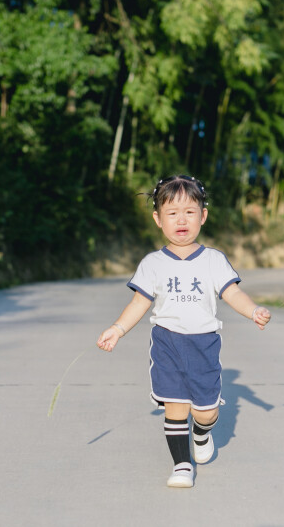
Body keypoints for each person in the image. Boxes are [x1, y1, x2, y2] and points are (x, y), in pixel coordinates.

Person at [97, 174, 271, 489]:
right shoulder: (152, 264)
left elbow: (232, 293)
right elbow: (139, 303)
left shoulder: (214, 260)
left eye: (190, 212)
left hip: (204, 345)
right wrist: (117, 329)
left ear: (203, 216)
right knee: (175, 405)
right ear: (158, 219)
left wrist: (253, 310)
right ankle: (181, 465)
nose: (181, 219)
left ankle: (202, 433)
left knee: (204, 411)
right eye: (172, 213)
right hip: (167, 343)